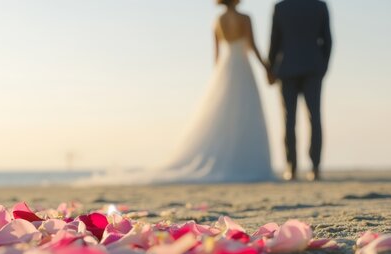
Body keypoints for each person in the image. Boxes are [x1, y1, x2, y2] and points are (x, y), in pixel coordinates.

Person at [79, 0, 273, 185]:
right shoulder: (245, 18)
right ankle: (244, 161)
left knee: (224, 116)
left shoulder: (217, 21)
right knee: (246, 115)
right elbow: (254, 46)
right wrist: (267, 68)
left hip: (226, 68)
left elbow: (216, 56)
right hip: (242, 67)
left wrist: (218, 81)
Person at [267, 0, 332, 181]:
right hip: (313, 67)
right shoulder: (319, 6)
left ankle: (291, 167)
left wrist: (270, 68)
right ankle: (315, 168)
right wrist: (322, 66)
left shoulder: (280, 8)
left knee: (289, 120)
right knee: (315, 118)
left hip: (287, 68)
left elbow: (274, 41)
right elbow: (328, 40)